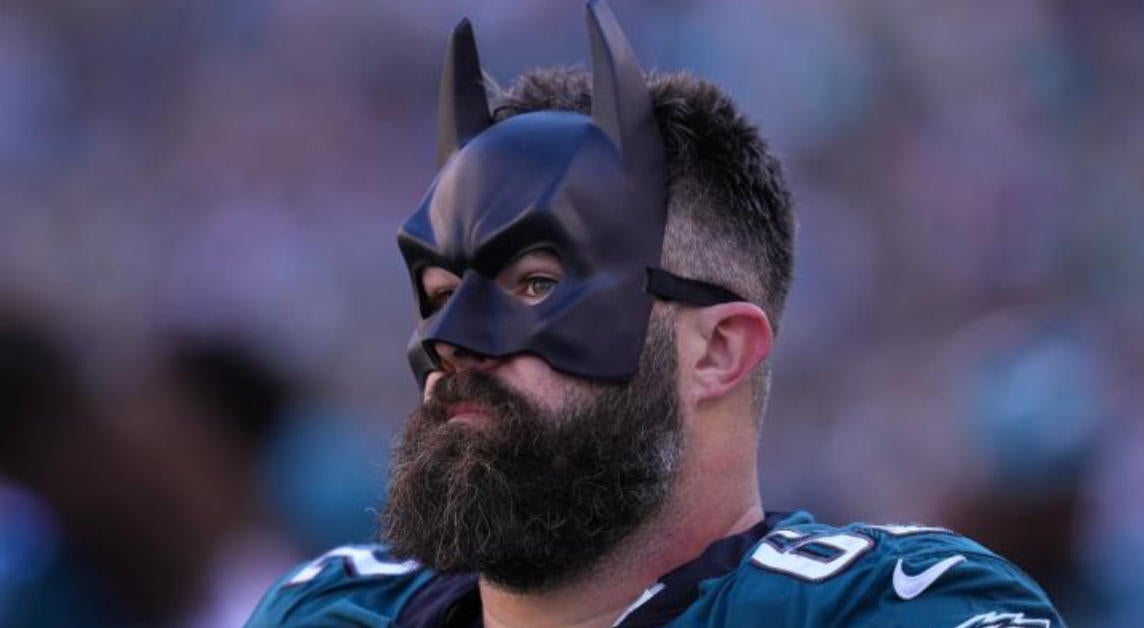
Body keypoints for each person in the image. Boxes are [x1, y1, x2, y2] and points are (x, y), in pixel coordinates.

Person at [246, 2, 1066, 626]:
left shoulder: (889, 608)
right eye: (438, 295)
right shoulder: (333, 611)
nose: (452, 341)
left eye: (533, 284)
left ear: (718, 349)